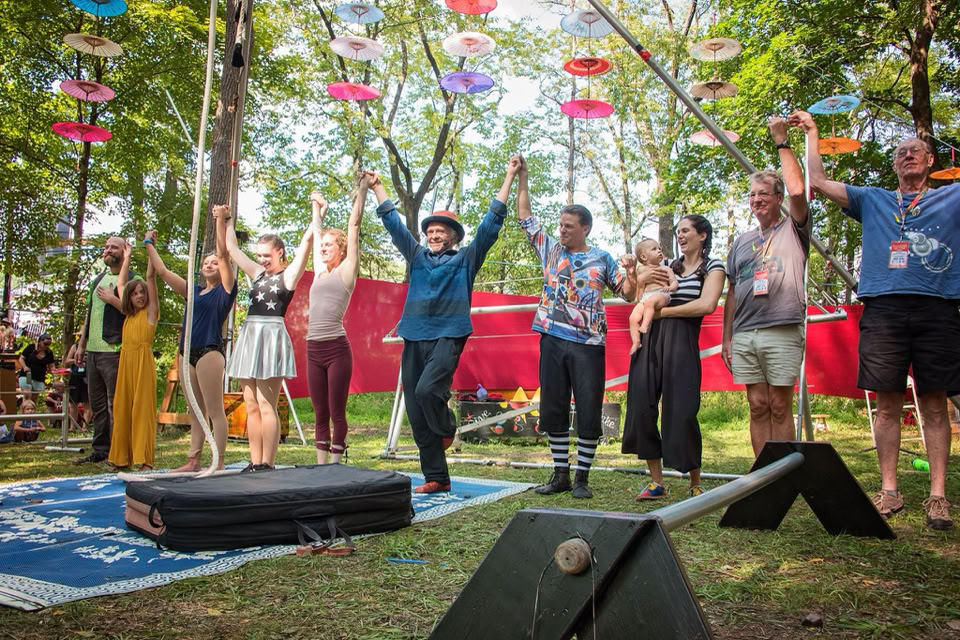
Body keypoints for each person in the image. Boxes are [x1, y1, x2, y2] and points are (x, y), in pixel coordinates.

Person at [792, 110, 957, 530]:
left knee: (935, 403)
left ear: (931, 161)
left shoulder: (952, 196)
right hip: (883, 309)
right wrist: (812, 133)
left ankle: (938, 496)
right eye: (901, 153)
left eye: (916, 151)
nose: (908, 156)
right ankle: (889, 491)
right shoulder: (875, 199)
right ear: (894, 164)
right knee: (886, 403)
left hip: (938, 307)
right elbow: (821, 184)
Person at [368, 157, 522, 493]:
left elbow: (490, 225)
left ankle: (448, 425)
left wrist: (509, 175)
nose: (434, 235)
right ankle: (437, 477)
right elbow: (394, 226)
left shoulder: (466, 259)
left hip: (449, 333)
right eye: (430, 232)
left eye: (440, 232)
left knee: (427, 391)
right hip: (414, 333)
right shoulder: (419, 257)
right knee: (415, 402)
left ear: (452, 236)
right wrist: (378, 187)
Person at [516, 157, 638, 499]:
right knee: (553, 407)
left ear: (585, 228)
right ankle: (560, 475)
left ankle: (582, 478)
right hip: (552, 339)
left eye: (568, 225)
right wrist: (523, 176)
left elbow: (628, 295)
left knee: (588, 406)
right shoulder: (551, 251)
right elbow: (525, 217)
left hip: (589, 344)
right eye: (561, 224)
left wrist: (632, 274)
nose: (562, 230)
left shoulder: (602, 258)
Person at [721, 117, 810, 458]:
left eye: (764, 194)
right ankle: (762, 474)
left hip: (782, 327)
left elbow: (799, 191)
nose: (756, 199)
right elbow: (732, 292)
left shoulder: (794, 229)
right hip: (745, 333)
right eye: (752, 194)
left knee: (778, 404)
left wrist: (781, 141)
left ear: (778, 198)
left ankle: (784, 471)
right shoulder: (742, 241)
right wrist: (727, 336)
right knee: (757, 404)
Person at [623, 215, 727, 499]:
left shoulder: (714, 267)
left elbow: (706, 305)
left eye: (685, 230)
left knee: (682, 412)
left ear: (702, 235)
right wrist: (635, 274)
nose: (679, 235)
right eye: (678, 231)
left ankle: (695, 482)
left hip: (682, 340)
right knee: (642, 408)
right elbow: (633, 295)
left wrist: (661, 312)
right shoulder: (667, 265)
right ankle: (656, 482)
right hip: (649, 338)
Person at [225, 199, 316, 471]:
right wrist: (226, 220)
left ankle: (268, 462)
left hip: (271, 336)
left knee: (267, 404)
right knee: (250, 403)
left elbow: (307, 243)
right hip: (250, 336)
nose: (262, 259)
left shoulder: (288, 278)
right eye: (260, 255)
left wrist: (316, 211)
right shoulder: (256, 274)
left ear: (280, 253)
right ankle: (254, 462)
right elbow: (231, 248)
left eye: (267, 255)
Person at [145, 209, 238, 473]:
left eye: (213, 263)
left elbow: (223, 255)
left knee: (214, 409)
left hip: (209, 352)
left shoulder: (226, 290)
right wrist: (148, 244)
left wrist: (220, 221)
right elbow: (162, 272)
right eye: (205, 263)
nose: (209, 264)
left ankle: (218, 462)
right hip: (187, 353)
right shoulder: (192, 291)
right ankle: (193, 460)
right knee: (196, 410)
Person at [307, 181, 365, 464]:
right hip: (312, 350)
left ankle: (335, 466)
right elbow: (317, 235)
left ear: (341, 249)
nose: (323, 248)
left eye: (329, 245)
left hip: (336, 350)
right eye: (322, 246)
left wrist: (362, 190)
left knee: (336, 411)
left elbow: (353, 226)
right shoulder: (319, 272)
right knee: (319, 412)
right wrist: (316, 208)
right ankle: (321, 469)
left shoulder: (346, 271)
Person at [73, 237, 139, 465]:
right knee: (97, 404)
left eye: (114, 247)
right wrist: (81, 345)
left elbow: (137, 312)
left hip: (115, 349)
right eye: (106, 247)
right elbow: (90, 314)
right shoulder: (97, 280)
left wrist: (113, 299)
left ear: (124, 251)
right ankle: (100, 450)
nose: (108, 250)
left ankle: (118, 452)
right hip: (92, 350)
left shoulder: (133, 280)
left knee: (116, 404)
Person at [102, 242, 159, 471]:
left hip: (143, 364)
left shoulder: (150, 314)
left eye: (142, 293)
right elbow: (121, 284)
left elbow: (150, 278)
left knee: (142, 410)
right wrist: (126, 257)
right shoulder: (128, 314)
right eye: (135, 294)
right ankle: (120, 458)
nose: (139, 296)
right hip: (126, 361)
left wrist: (149, 247)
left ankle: (144, 461)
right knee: (122, 406)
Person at [629, 239, 678, 353]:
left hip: (662, 294)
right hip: (646, 297)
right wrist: (632, 274)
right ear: (644, 257)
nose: (659, 251)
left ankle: (645, 325)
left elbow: (674, 281)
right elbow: (637, 287)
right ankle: (636, 342)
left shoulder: (666, 269)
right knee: (633, 318)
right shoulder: (641, 269)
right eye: (654, 249)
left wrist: (671, 287)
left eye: (659, 249)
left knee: (650, 302)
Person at [63, 335, 92, 432]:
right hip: (75, 377)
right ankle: (72, 427)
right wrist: (77, 360)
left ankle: (85, 427)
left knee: (87, 403)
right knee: (73, 403)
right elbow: (67, 361)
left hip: (88, 376)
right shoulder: (74, 346)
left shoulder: (92, 346)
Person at [17, 333, 54, 401]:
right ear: (40, 341)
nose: (47, 346)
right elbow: (21, 358)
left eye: (49, 344)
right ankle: (25, 409)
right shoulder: (31, 347)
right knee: (27, 394)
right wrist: (25, 367)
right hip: (27, 375)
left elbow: (51, 366)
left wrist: (54, 373)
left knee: (34, 398)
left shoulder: (49, 353)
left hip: (39, 378)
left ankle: (32, 411)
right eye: (45, 344)